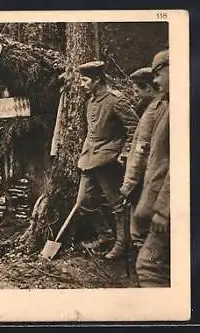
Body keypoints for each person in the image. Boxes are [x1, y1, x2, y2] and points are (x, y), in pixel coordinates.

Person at [75, 61, 139, 259]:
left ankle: (123, 244)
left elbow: (135, 128)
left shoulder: (115, 100)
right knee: (83, 201)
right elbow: (91, 132)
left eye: (85, 80)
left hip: (109, 161)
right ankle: (105, 236)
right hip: (89, 159)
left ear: (97, 79)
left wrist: (124, 154)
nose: (82, 84)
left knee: (117, 205)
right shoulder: (90, 102)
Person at [134, 49, 170, 287]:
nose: (155, 80)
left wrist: (164, 209)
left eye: (158, 73)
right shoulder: (166, 105)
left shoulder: (168, 106)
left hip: (166, 206)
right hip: (155, 196)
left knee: (149, 269)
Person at [119, 67, 162, 257]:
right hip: (151, 177)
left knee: (139, 230)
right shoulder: (155, 108)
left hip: (144, 178)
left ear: (148, 89)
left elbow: (140, 151)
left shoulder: (153, 112)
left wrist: (129, 183)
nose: (135, 95)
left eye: (137, 91)